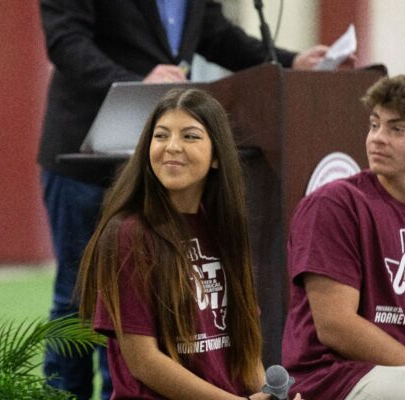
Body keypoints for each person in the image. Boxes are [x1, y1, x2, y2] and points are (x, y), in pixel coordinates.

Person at [37, 0, 354, 398]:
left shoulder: (222, 221)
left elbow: (219, 37)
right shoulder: (128, 228)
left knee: (143, 314)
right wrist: (135, 80)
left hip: (158, 133)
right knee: (77, 299)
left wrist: (292, 61)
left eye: (194, 138)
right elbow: (66, 42)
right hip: (85, 152)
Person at [77, 88, 303, 400]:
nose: (171, 147)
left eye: (190, 136)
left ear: (216, 158)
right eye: (161, 136)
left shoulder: (224, 228)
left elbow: (244, 344)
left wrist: (266, 394)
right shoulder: (128, 234)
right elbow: (144, 362)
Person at [281, 74, 405, 400]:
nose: (377, 138)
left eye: (396, 129)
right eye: (375, 125)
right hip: (335, 378)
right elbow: (337, 328)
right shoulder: (334, 205)